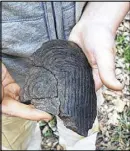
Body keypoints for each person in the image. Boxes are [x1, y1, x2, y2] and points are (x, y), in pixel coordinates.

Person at [2, 1, 129, 150]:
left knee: (80, 132)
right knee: (16, 137)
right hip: (8, 80)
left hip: (80, 68)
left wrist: (101, 18)